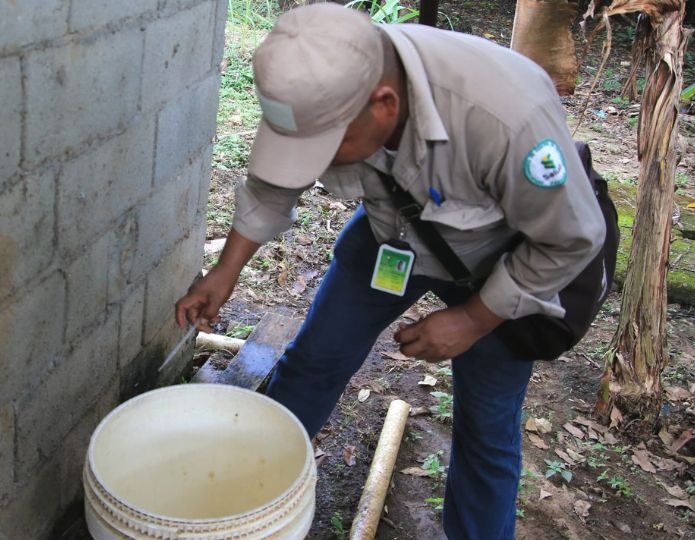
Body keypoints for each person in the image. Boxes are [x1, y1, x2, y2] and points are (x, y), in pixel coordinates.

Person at [176, 4, 605, 538]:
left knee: (486, 429)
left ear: (385, 104)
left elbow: (570, 240)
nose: (313, 164)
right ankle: (248, 500)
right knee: (314, 361)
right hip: (391, 235)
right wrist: (227, 270)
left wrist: (472, 320)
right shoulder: (326, 74)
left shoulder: (507, 118)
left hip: (501, 264)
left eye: (325, 148)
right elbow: (274, 183)